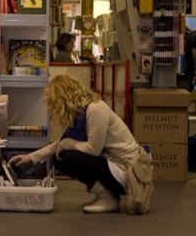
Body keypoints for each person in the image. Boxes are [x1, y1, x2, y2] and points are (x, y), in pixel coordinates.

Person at [8, 75, 144, 213]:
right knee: (59, 156)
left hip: (128, 173)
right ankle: (107, 195)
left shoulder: (96, 109)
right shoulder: (82, 111)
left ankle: (107, 197)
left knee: (68, 156)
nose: (52, 109)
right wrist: (31, 158)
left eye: (54, 103)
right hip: (114, 166)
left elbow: (93, 150)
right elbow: (63, 143)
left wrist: (68, 143)